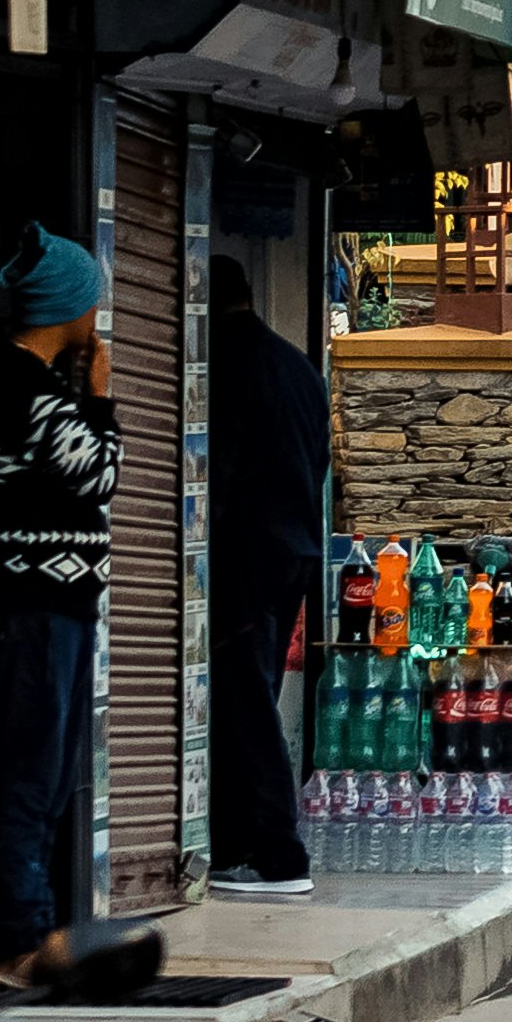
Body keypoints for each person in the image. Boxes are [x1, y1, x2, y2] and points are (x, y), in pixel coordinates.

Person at [0, 230, 118, 965]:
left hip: (51, 605)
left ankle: (37, 926)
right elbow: (97, 479)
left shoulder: (31, 385)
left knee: (50, 773)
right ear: (70, 306)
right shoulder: (24, 387)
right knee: (29, 771)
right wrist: (99, 399)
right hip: (31, 607)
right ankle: (22, 937)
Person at [202, 255, 330, 901]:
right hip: (293, 551)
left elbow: (217, 469)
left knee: (244, 700)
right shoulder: (297, 365)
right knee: (250, 694)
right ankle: (235, 845)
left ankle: (275, 852)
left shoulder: (225, 362)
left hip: (246, 552)